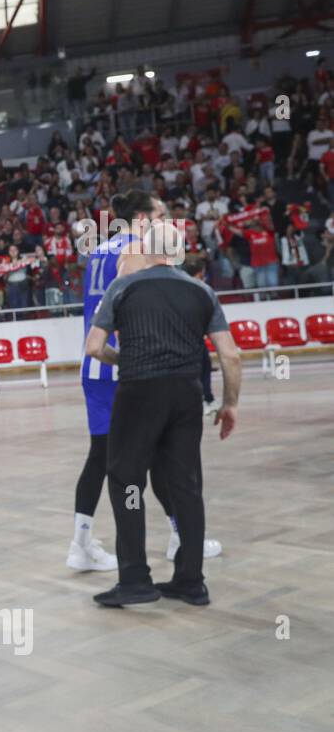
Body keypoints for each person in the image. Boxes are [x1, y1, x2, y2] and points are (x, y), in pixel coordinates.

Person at [85, 218, 243, 608]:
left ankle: (135, 578)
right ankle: (191, 581)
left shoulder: (122, 287)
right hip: (186, 394)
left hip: (139, 391)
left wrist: (123, 358)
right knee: (186, 486)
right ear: (178, 254)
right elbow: (231, 355)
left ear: (146, 250)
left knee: (127, 482)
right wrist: (230, 404)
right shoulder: (203, 291)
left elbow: (93, 347)